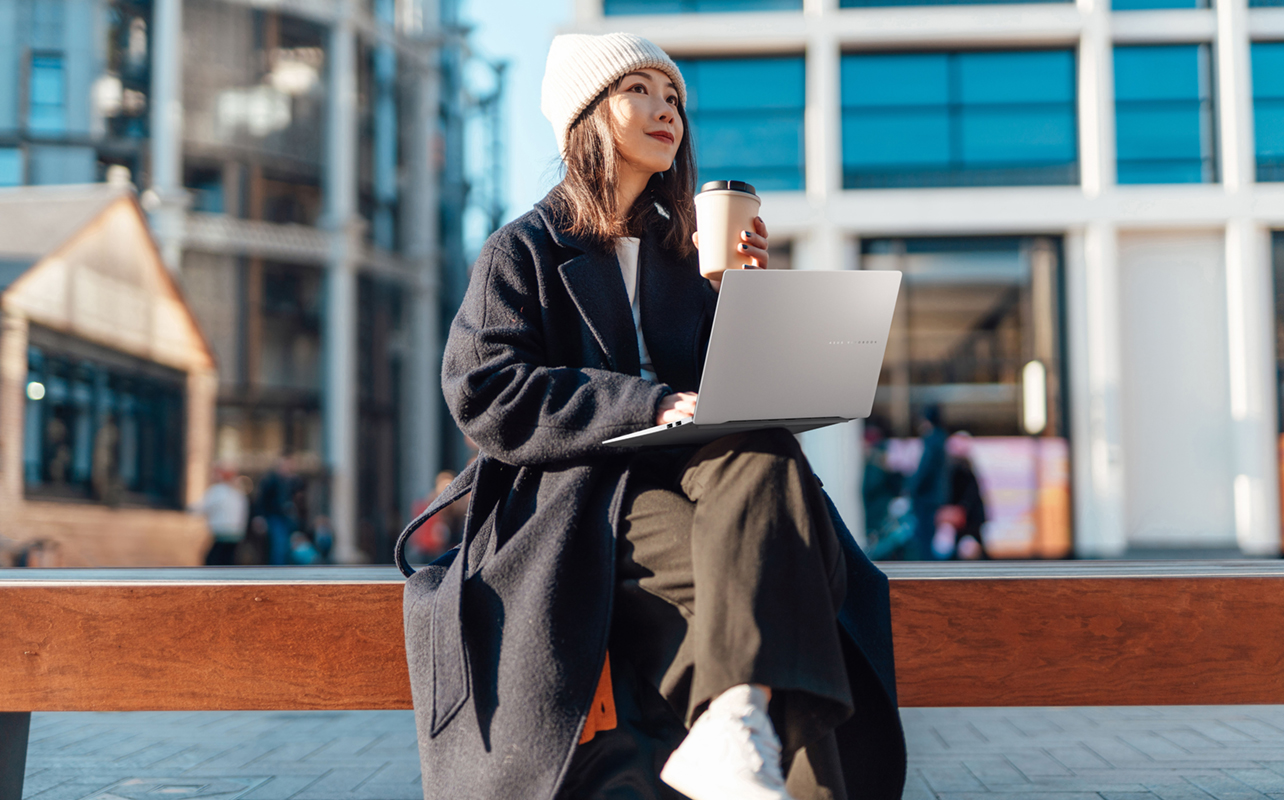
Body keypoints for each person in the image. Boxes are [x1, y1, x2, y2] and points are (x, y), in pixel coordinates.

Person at [401, 33, 905, 800]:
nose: (667, 110)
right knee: (784, 579)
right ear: (589, 117)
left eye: (674, 99)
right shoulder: (523, 251)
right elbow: (484, 389)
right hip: (580, 499)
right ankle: (763, 752)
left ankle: (733, 727)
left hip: (708, 480)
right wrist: (648, 404)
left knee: (765, 453)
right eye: (642, 91)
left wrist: (747, 302)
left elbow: (729, 399)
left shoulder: (685, 258)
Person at [906, 405, 949, 560]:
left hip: (926, 497)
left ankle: (926, 577)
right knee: (930, 537)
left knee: (924, 539)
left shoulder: (932, 440)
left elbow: (925, 470)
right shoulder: (940, 439)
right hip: (934, 497)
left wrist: (910, 488)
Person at [192, 462, 250, 566]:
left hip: (222, 532)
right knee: (228, 561)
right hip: (237, 533)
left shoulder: (218, 491)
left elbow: (200, 508)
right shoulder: (238, 492)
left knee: (212, 561)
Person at [256, 455, 300, 566]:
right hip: (275, 516)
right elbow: (262, 500)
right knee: (279, 546)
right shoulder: (271, 480)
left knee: (288, 546)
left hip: (288, 518)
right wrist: (260, 517)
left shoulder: (291, 481)